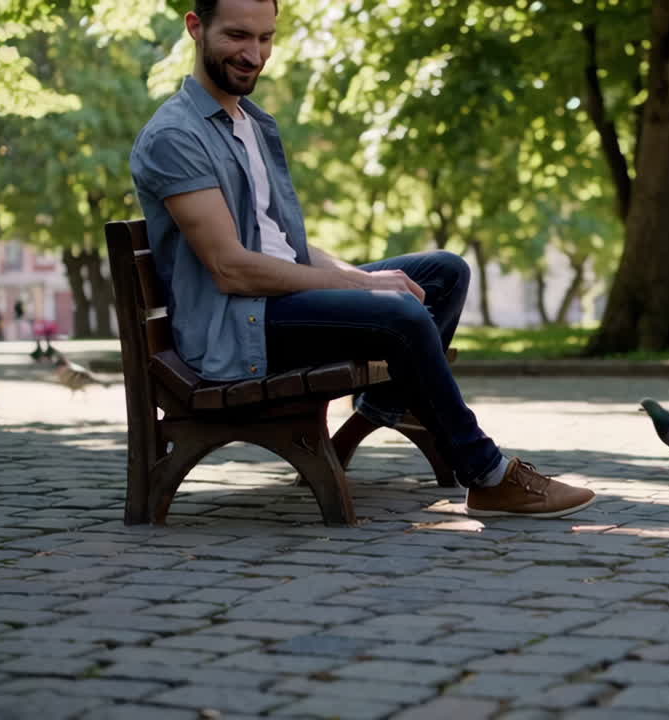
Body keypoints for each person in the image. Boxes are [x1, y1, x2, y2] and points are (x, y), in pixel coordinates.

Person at [129, 0, 594, 518]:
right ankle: (486, 474)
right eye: (237, 36)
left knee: (443, 273)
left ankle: (380, 410)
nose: (253, 54)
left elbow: (287, 244)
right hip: (235, 327)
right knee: (400, 315)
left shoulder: (250, 123)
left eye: (265, 38)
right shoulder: (177, 136)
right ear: (196, 28)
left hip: (273, 303)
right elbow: (232, 269)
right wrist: (363, 290)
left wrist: (357, 275)